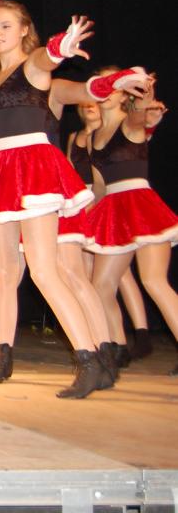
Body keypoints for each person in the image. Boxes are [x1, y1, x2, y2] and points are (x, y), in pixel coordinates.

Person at [0, 3, 116, 398]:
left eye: (6, 26)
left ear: (25, 29)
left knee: (44, 270)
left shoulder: (35, 67)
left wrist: (62, 46)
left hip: (33, 168)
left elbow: (48, 57)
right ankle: (3, 355)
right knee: (5, 270)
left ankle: (89, 358)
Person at [85, 69, 178, 376]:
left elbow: (139, 113)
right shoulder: (93, 138)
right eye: (105, 84)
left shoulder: (130, 122)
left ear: (124, 93)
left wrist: (145, 97)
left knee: (154, 281)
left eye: (116, 85)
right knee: (100, 286)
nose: (108, 89)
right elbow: (100, 188)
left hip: (142, 207)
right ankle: (115, 348)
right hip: (113, 211)